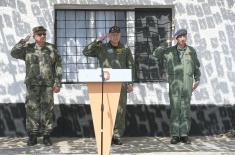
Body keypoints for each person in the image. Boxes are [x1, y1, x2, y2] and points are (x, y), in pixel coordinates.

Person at [11, 26, 62, 146]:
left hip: (48, 85)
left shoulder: (51, 48)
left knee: (47, 110)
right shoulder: (28, 49)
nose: (43, 36)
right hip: (32, 85)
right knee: (32, 110)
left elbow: (58, 66)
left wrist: (57, 82)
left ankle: (46, 135)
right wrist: (25, 40)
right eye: (39, 34)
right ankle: (32, 136)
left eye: (44, 34)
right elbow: (14, 53)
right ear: (34, 36)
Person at [83, 26, 134, 145]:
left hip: (121, 84)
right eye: (112, 34)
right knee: (106, 110)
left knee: (120, 110)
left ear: (120, 35)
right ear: (109, 35)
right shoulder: (102, 48)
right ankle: (107, 134)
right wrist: (97, 41)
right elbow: (86, 52)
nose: (115, 36)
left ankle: (117, 135)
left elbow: (130, 65)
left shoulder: (125, 48)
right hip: (106, 84)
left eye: (117, 34)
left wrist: (130, 83)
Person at [154, 28, 201, 144]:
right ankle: (175, 134)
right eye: (180, 37)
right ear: (176, 38)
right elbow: (156, 55)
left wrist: (197, 79)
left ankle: (184, 134)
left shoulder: (191, 51)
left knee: (185, 109)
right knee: (175, 109)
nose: (183, 39)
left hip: (187, 84)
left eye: (184, 36)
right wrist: (165, 43)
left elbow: (196, 67)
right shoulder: (169, 51)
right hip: (175, 85)